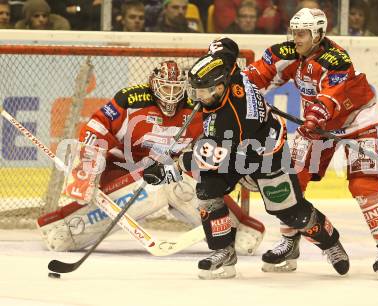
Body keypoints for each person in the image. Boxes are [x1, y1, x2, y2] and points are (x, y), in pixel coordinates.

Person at [142, 37, 349, 280]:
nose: (197, 98)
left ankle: (331, 243)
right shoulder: (227, 68)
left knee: (290, 212)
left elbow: (203, 159)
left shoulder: (229, 119)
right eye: (195, 91)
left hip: (264, 154)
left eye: (202, 92)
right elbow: (227, 45)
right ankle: (223, 252)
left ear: (219, 87)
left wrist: (167, 170)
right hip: (234, 148)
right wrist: (215, 51)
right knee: (208, 190)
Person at [37, 60, 265, 257]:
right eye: (165, 88)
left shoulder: (197, 108)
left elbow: (215, 146)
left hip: (168, 173)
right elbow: (97, 127)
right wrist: (87, 169)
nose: (171, 95)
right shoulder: (131, 100)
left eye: (176, 89)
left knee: (182, 186)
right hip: (122, 171)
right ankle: (65, 227)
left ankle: (236, 228)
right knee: (155, 190)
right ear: (153, 85)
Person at [244, 8, 378, 281]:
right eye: (294, 32)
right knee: (289, 181)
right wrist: (238, 93)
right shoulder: (287, 54)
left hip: (357, 123)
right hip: (317, 125)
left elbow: (332, 96)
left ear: (318, 34)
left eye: (302, 33)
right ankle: (290, 243)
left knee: (364, 186)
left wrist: (315, 116)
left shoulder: (337, 59)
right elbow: (255, 78)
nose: (296, 38)